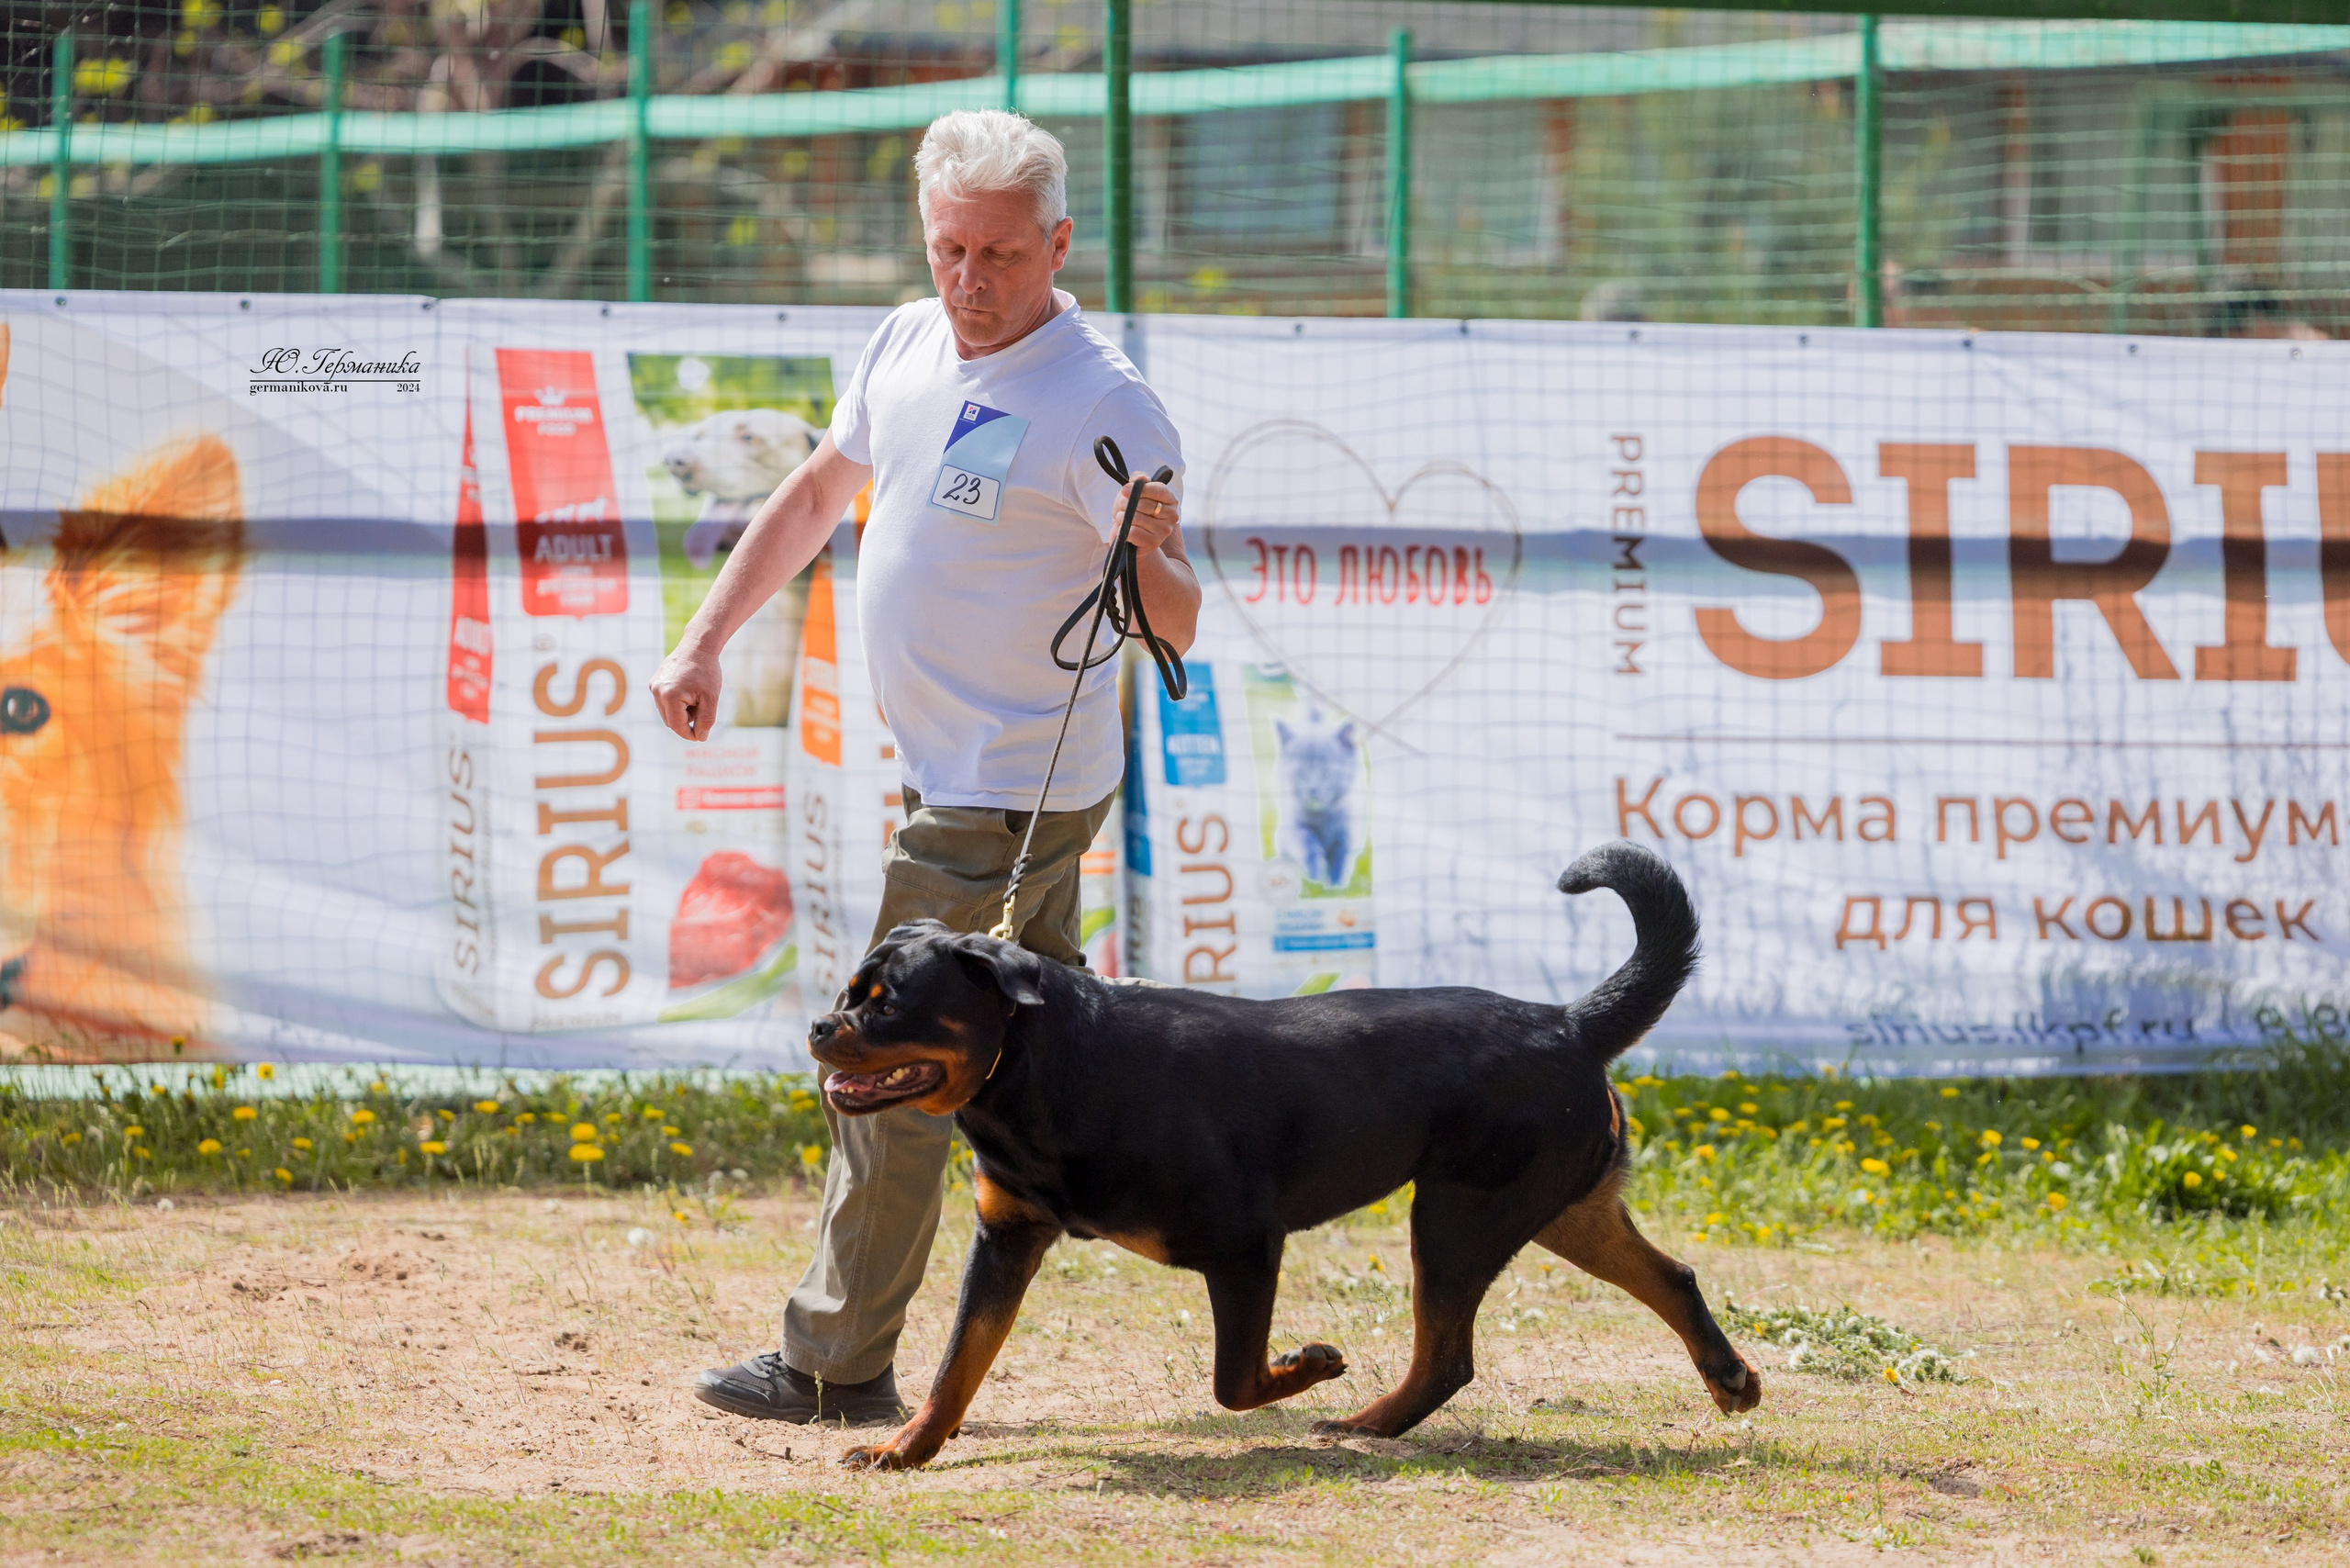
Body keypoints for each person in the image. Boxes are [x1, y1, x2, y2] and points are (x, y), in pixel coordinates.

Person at [649, 109, 1201, 1425]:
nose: (971, 278)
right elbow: (814, 494)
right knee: (1046, 1068)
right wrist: (705, 635)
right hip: (954, 781)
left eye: (1002, 253)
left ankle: (838, 1365)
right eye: (949, 246)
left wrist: (1144, 553)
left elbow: (1175, 620)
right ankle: (1219, 1196)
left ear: (1059, 244)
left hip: (1006, 793)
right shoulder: (903, 338)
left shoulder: (1105, 401)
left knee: (884, 1061)